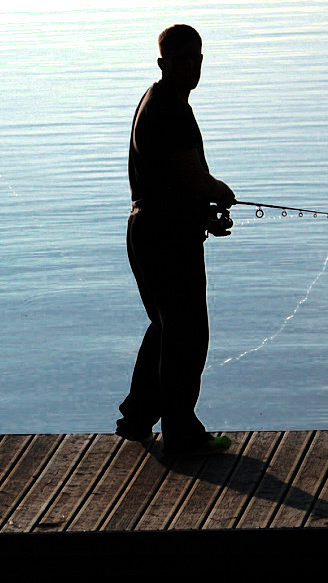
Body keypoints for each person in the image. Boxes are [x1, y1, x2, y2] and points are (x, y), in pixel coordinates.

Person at [116, 24, 236, 456]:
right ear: (162, 62)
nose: (190, 66)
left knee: (167, 328)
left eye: (196, 58)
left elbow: (170, 182)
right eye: (181, 59)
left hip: (154, 231)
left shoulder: (160, 100)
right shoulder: (170, 109)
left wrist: (202, 216)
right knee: (187, 335)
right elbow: (192, 176)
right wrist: (221, 192)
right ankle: (182, 435)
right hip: (164, 238)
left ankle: (137, 419)